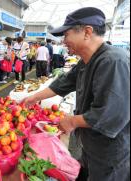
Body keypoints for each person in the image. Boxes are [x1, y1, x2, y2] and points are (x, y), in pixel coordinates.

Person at [22, 7, 130, 181]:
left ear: (87, 32)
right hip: (90, 148)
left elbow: (112, 114)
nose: (64, 41)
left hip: (110, 157)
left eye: (67, 35)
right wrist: (34, 98)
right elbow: (64, 82)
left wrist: (72, 121)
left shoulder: (113, 61)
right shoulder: (86, 61)